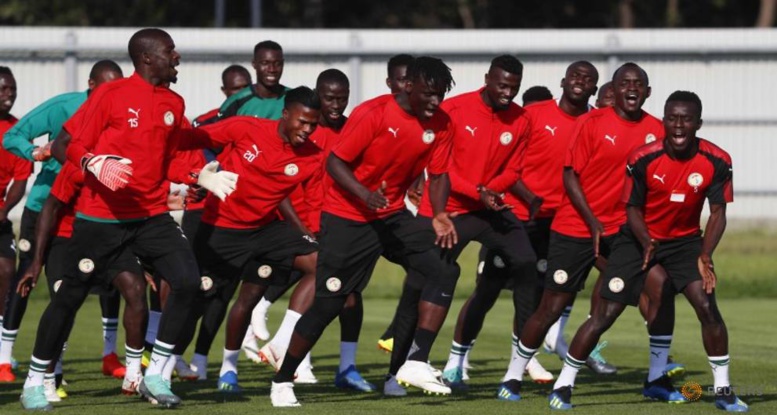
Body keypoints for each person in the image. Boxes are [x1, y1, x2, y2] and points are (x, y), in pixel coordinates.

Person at [19, 28, 237, 410]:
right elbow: (68, 144)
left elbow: (168, 158)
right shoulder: (111, 94)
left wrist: (197, 176)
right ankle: (35, 382)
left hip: (150, 215)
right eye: (170, 51)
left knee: (188, 280)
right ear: (148, 57)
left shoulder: (174, 102)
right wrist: (91, 162)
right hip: (101, 218)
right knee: (69, 297)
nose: (177, 57)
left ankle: (156, 374)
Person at [269, 56, 458, 407]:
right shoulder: (374, 114)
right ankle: (282, 381)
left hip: (392, 216)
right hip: (347, 217)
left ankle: (413, 364)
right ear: (408, 86)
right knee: (329, 304)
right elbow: (335, 162)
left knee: (443, 268)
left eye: (440, 95)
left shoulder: (442, 123)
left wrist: (440, 213)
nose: (435, 102)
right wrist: (364, 194)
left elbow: (440, 174)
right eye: (429, 94)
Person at [547, 91, 748, 412]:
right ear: (664, 121)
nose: (679, 125)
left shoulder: (717, 160)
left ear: (698, 123)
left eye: (686, 119)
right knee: (606, 313)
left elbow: (718, 213)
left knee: (706, 306)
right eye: (672, 118)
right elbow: (631, 209)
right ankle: (564, 384)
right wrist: (647, 241)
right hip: (637, 240)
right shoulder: (642, 158)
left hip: (685, 243)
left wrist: (706, 254)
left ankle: (718, 390)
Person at [502, 63, 668, 403]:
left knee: (654, 289)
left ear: (648, 91)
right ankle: (513, 375)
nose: (632, 88)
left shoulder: (656, 130)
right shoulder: (591, 122)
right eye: (625, 83)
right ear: (614, 90)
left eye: (638, 83)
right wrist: (593, 222)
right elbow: (569, 176)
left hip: (622, 232)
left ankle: (655, 374)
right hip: (575, 227)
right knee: (551, 307)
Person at [439, 62, 599, 393]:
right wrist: (519, 196)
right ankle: (456, 361)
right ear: (563, 81)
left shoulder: (595, 122)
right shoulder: (533, 115)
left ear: (595, 88)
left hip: (559, 224)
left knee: (534, 293)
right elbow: (510, 163)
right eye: (575, 76)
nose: (580, 82)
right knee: (488, 290)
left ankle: (522, 360)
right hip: (516, 216)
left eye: (588, 79)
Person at [393, 55, 535, 395]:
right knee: (422, 282)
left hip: (488, 209)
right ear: (487, 79)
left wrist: (491, 193)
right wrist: (480, 192)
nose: (508, 93)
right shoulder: (454, 110)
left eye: (514, 87)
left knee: (527, 262)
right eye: (502, 85)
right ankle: (403, 366)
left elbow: (514, 170)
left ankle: (521, 362)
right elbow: (440, 168)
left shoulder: (522, 119)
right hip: (447, 209)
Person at [174, 86, 323, 394]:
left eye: (313, 124)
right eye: (302, 122)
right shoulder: (247, 127)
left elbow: (283, 194)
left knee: (318, 265)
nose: (307, 130)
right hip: (220, 228)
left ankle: (237, 366)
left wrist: (304, 231)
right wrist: (197, 175)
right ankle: (164, 363)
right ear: (285, 114)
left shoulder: (313, 156)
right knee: (198, 300)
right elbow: (192, 139)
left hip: (263, 231)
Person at [1, 60, 125, 386]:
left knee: (105, 278)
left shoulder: (121, 112)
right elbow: (13, 135)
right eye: (107, 87)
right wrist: (34, 152)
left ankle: (103, 356)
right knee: (27, 278)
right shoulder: (64, 106)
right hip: (45, 207)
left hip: (88, 211)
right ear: (90, 84)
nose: (112, 94)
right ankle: (4, 358)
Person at [256, 69, 375, 391]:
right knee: (323, 280)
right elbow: (281, 181)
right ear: (317, 96)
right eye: (329, 98)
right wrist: (301, 227)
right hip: (306, 224)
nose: (335, 105)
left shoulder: (354, 129)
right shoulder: (305, 131)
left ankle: (346, 367)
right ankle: (284, 346)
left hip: (345, 223)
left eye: (342, 98)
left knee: (350, 297)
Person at [375, 52, 417, 354]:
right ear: (389, 82)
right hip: (359, 216)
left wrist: (418, 182)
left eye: (411, 80)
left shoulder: (421, 118)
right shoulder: (375, 114)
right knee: (334, 290)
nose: (407, 85)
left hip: (394, 216)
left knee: (431, 266)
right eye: (402, 79)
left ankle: (397, 339)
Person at [0, 66, 32, 380]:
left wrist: (5, 209)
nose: (9, 95)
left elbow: (20, 180)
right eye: (3, 89)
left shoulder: (17, 133)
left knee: (7, 271)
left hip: (0, 217)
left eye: (12, 89)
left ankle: (2, 355)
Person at [218, 40, 288, 121]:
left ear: (283, 64)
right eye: (265, 63)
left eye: (277, 63)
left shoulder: (295, 99)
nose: (272, 69)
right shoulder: (236, 102)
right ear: (254, 64)